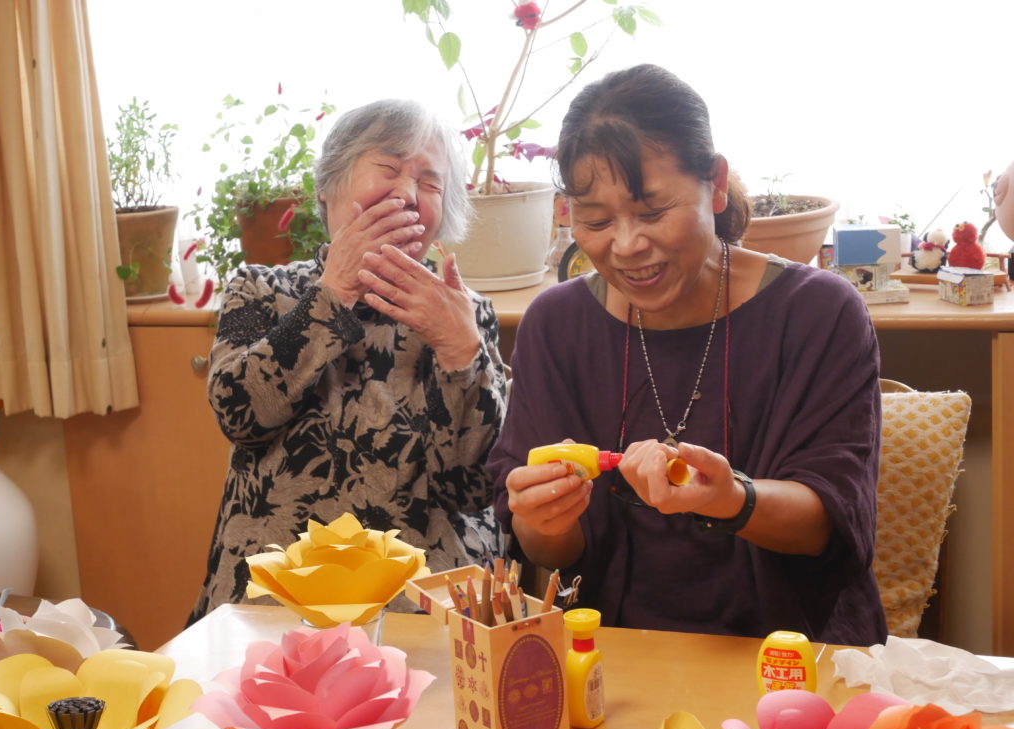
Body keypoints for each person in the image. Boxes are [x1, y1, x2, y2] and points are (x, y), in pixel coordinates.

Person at [487, 64, 887, 646]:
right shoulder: (557, 325)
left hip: (791, 654)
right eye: (597, 220)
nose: (627, 245)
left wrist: (733, 500)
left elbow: (830, 523)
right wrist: (543, 517)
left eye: (652, 212)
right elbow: (551, 553)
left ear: (716, 184)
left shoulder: (818, 312)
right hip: (615, 656)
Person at [190, 99, 507, 622]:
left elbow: (471, 488)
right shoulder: (261, 289)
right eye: (389, 168)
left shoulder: (465, 314)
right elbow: (239, 415)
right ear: (329, 186)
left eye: (429, 183)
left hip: (424, 602)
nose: (408, 195)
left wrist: (459, 351)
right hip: (278, 591)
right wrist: (333, 292)